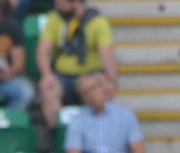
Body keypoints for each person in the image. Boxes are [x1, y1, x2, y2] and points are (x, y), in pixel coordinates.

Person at [36, 0, 118, 128]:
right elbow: (43, 52)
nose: (59, 8)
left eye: (62, 5)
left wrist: (111, 81)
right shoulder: (55, 19)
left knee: (101, 88)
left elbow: (107, 54)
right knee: (48, 91)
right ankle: (58, 132)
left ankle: (100, 129)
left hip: (91, 74)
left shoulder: (97, 21)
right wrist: (47, 75)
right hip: (63, 76)